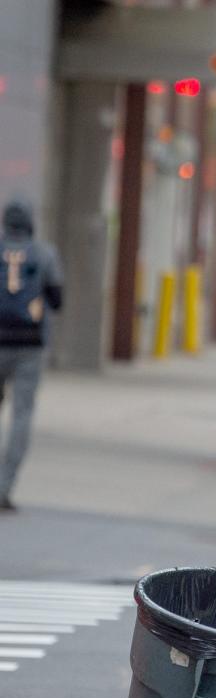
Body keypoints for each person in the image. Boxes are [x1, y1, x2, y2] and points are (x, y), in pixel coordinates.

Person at [0, 199, 63, 511]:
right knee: (21, 414)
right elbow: (57, 298)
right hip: (29, 344)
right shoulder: (43, 253)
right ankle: (5, 485)